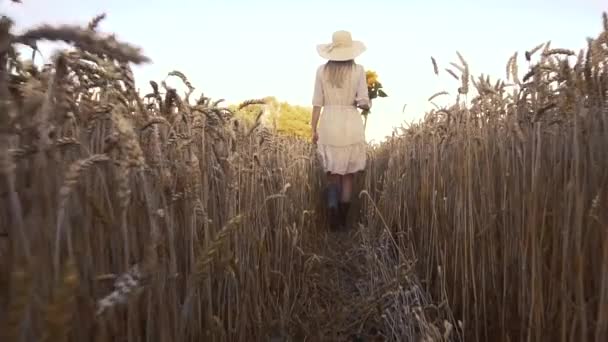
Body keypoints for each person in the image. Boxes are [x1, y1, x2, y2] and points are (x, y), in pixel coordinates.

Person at [310, 30, 370, 231]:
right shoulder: (359, 71)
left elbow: (317, 103)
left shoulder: (321, 71)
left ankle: (333, 215)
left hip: (328, 123)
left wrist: (313, 129)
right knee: (348, 176)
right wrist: (366, 104)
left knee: (332, 173)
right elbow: (364, 102)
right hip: (351, 124)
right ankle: (343, 222)